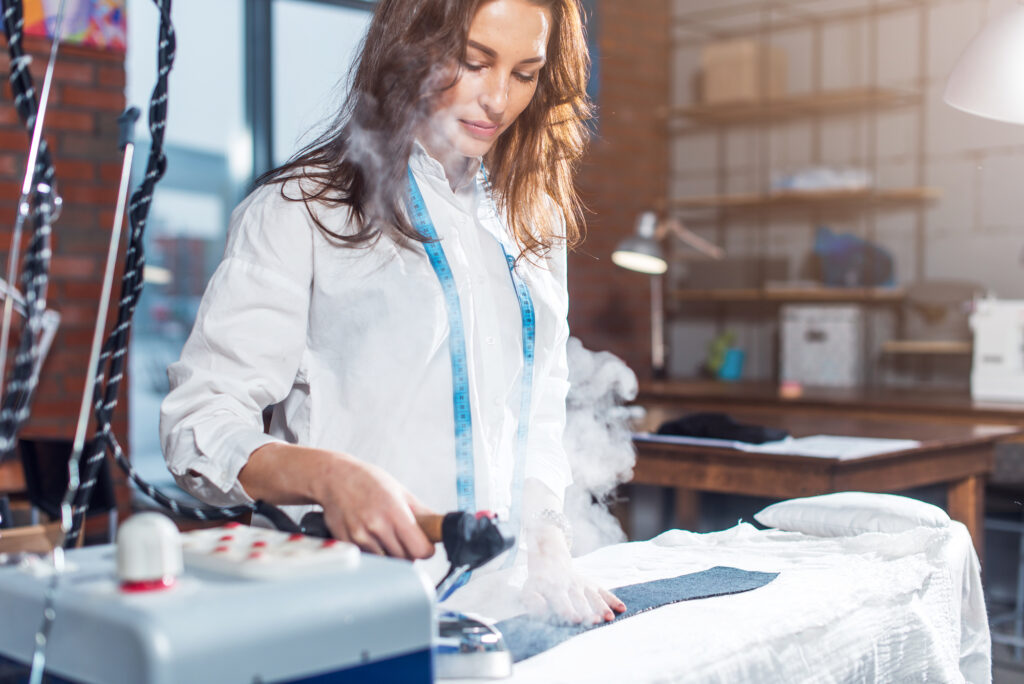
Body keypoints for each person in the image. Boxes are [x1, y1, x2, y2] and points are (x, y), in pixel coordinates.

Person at [160, 0, 625, 625]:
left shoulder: (530, 221)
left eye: (524, 73)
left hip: (503, 606)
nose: (497, 100)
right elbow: (200, 423)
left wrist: (547, 538)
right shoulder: (301, 211)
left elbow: (540, 403)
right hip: (344, 602)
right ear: (412, 46)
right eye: (474, 61)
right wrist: (327, 476)